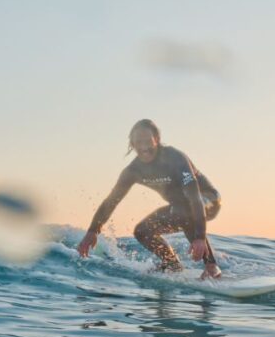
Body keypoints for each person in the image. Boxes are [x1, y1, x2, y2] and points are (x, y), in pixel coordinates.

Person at [77, 119, 223, 279]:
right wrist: (92, 231)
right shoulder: (132, 171)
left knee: (184, 209)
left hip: (208, 200)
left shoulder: (175, 158)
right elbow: (112, 201)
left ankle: (211, 265)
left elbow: (194, 197)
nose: (144, 146)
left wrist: (200, 238)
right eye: (138, 142)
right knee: (142, 231)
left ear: (157, 140)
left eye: (147, 141)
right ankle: (172, 264)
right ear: (132, 144)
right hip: (181, 207)